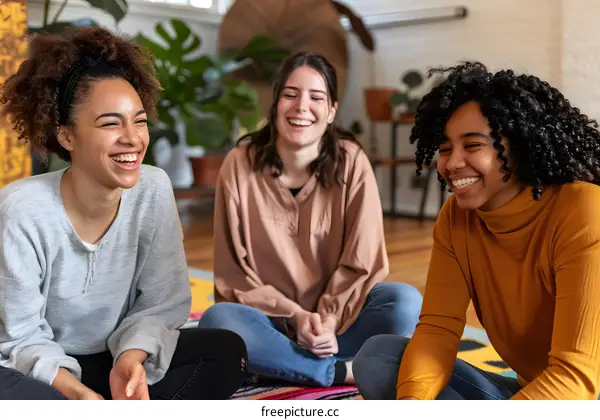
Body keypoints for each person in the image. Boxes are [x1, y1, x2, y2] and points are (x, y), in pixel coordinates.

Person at [0, 27, 248, 400]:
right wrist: (76, 392)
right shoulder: (22, 208)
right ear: (66, 135)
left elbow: (162, 302)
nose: (133, 138)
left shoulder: (153, 189)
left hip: (111, 359)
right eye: (111, 123)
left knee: (225, 352)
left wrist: (131, 360)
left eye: (140, 120)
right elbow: (20, 334)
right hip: (40, 370)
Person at [352, 61, 600, 400]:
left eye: (472, 146)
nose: (452, 163)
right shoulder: (456, 218)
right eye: (444, 149)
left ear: (519, 144)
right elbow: (437, 330)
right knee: (380, 358)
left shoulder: (584, 210)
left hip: (583, 396)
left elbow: (577, 376)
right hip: (532, 396)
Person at [196, 51, 423, 388]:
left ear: (331, 110)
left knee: (405, 302)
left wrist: (328, 320)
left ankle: (276, 364)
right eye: (290, 94)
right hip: (268, 323)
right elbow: (234, 277)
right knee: (220, 320)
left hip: (339, 326)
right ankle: (337, 372)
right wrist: (296, 315)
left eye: (316, 97)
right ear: (275, 103)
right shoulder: (239, 164)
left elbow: (362, 261)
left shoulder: (352, 163)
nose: (302, 107)